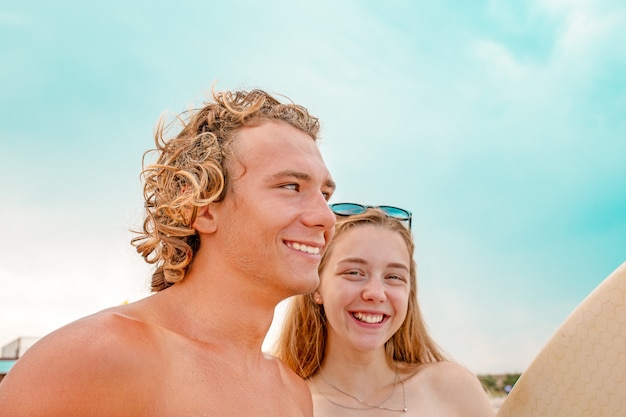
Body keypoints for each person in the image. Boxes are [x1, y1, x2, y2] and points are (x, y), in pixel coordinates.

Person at [0, 89, 337, 416]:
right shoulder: (96, 358)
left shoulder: (292, 395)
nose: (325, 217)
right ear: (201, 206)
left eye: (325, 194)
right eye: (291, 186)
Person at [275, 204, 495, 416]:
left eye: (393, 277)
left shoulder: (453, 389)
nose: (376, 293)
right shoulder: (282, 405)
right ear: (316, 286)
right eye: (354, 272)